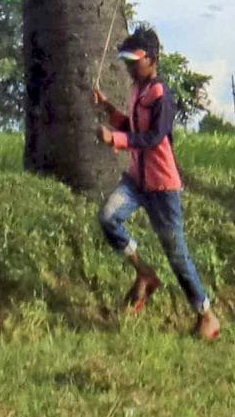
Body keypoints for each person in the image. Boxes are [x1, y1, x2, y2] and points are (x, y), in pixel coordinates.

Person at [90, 27, 222, 340]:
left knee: (176, 253)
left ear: (152, 59)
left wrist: (116, 139)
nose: (130, 67)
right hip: (137, 179)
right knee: (108, 218)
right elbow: (132, 125)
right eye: (128, 62)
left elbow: (154, 137)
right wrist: (109, 109)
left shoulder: (162, 94)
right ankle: (144, 273)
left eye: (135, 62)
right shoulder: (137, 90)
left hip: (162, 186)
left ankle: (206, 315)